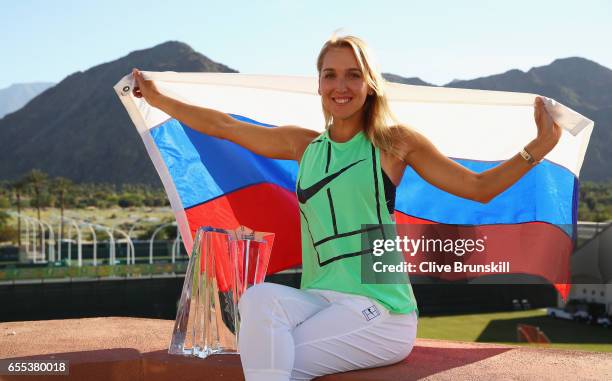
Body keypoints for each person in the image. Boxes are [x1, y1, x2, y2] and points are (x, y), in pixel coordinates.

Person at [132, 34, 561, 381]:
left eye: (353, 75)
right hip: (319, 300)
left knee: (272, 361)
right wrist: (154, 97)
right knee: (259, 300)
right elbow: (224, 127)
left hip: (383, 310)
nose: (341, 86)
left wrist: (536, 149)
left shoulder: (393, 143)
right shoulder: (304, 146)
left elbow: (477, 188)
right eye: (330, 75)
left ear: (369, 83)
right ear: (318, 83)